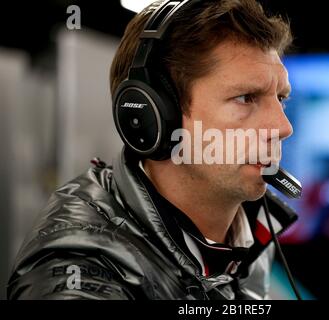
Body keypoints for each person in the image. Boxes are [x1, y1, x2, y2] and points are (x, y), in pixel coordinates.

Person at [7, 0, 297, 300]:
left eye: (281, 98)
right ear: (154, 118)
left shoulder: (249, 230)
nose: (283, 127)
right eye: (246, 98)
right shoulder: (81, 268)